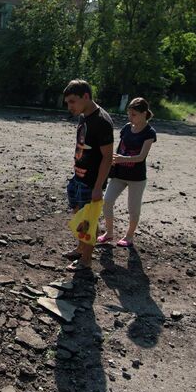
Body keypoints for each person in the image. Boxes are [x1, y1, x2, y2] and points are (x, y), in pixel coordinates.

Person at [62, 79, 114, 271]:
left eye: (72, 101)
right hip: (78, 178)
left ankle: (86, 260)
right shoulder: (84, 116)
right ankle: (80, 248)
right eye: (67, 102)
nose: (69, 106)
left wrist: (98, 187)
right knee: (79, 215)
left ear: (86, 96)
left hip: (91, 182)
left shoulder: (102, 121)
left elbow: (107, 158)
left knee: (89, 221)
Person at [96, 97, 157, 248]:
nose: (130, 117)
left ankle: (129, 236)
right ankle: (109, 233)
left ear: (144, 113)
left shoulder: (149, 133)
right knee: (107, 201)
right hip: (119, 174)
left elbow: (141, 157)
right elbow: (119, 149)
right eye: (129, 114)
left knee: (133, 208)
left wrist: (122, 159)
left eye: (134, 114)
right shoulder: (126, 128)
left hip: (137, 178)